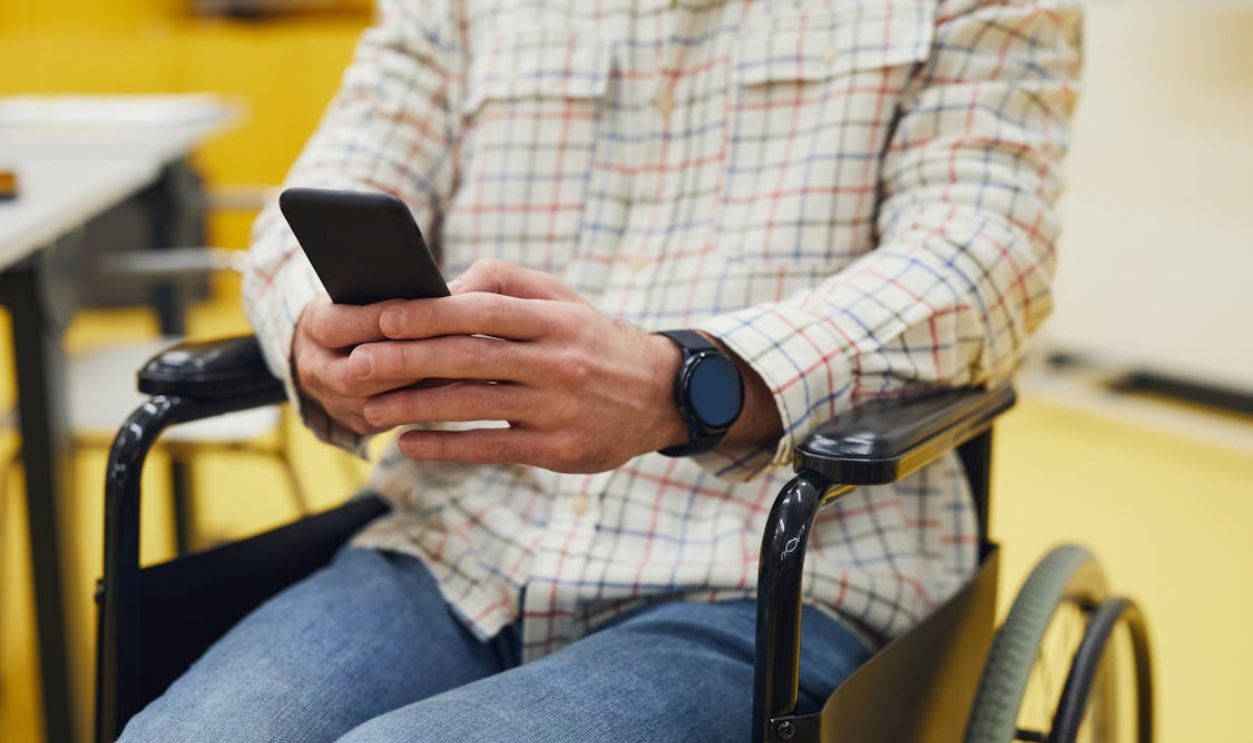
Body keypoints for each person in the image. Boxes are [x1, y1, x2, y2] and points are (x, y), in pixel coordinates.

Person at [120, 0, 1081, 740]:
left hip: (772, 576)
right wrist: (316, 327)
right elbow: (320, 195)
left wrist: (684, 382)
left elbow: (982, 260)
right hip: (458, 544)